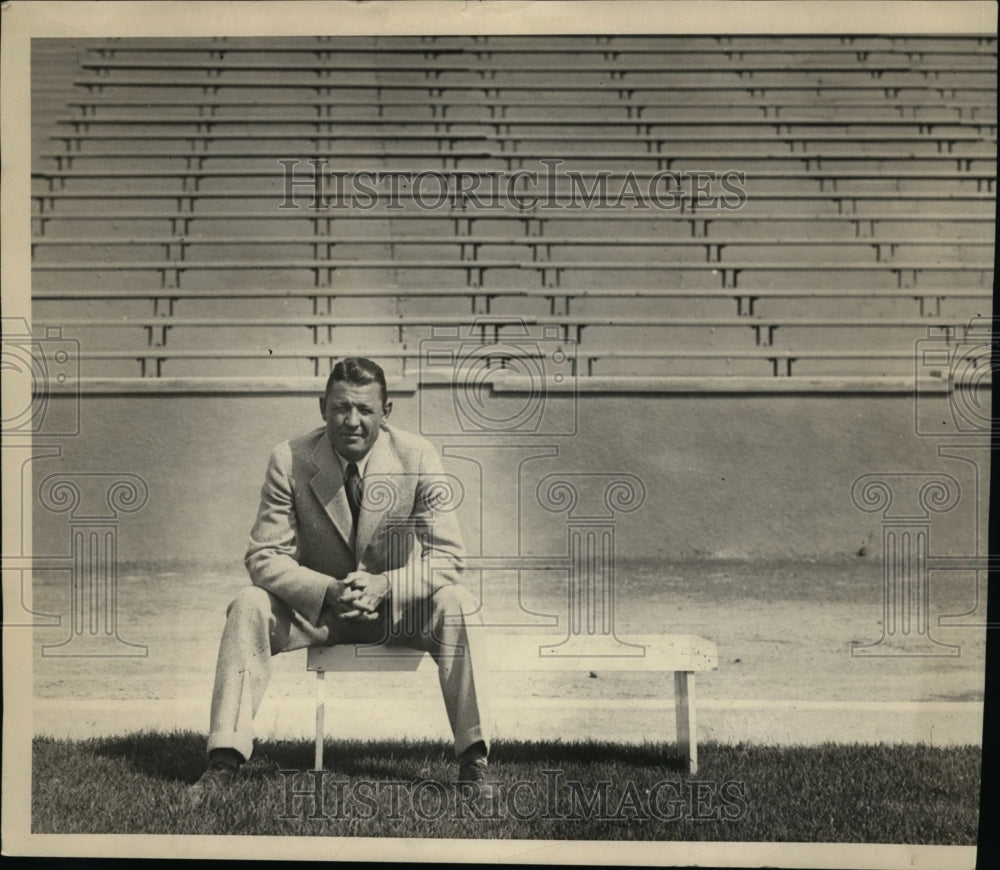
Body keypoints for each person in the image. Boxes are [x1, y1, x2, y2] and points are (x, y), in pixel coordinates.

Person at [187, 358, 493, 805]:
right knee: (248, 603)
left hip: (393, 612)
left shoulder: (417, 455)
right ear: (322, 407)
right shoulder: (288, 458)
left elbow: (448, 555)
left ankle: (475, 762)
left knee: (458, 603)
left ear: (386, 411)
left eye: (365, 410)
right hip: (320, 611)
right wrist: (328, 590)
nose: (352, 421)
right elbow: (264, 555)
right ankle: (223, 762)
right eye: (340, 408)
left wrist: (385, 585)